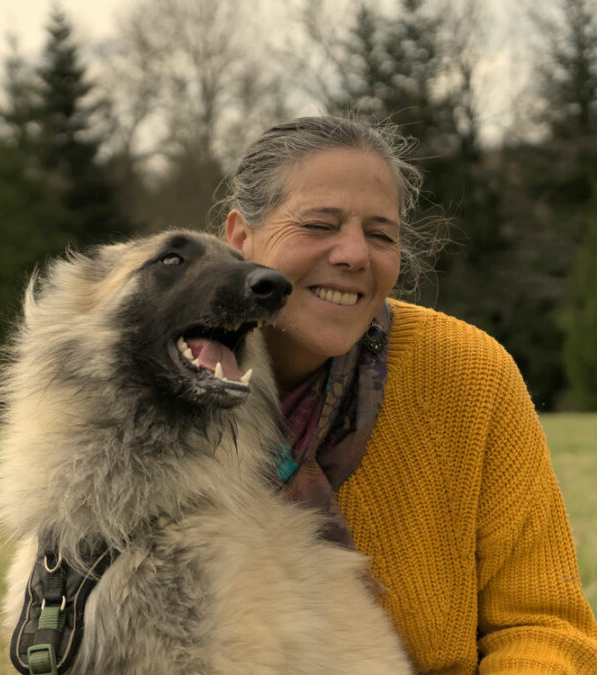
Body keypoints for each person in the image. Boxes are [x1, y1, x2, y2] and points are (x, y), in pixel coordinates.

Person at [220, 115, 597, 673]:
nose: (354, 254)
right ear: (240, 238)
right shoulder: (156, 387)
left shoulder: (467, 374)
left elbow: (543, 626)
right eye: (320, 225)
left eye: (380, 234)